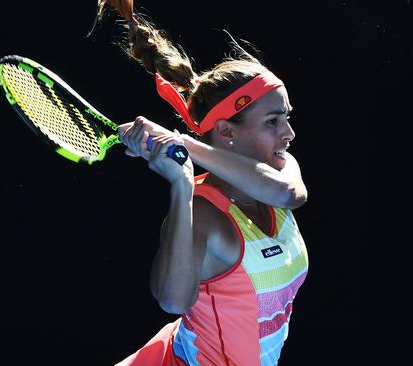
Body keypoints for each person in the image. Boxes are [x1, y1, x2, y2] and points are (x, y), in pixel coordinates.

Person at [91, 1, 309, 365]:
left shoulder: (281, 170)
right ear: (225, 131)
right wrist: (181, 187)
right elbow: (173, 300)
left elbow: (286, 193)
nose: (289, 133)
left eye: (286, 118)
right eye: (273, 121)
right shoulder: (205, 214)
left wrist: (183, 143)